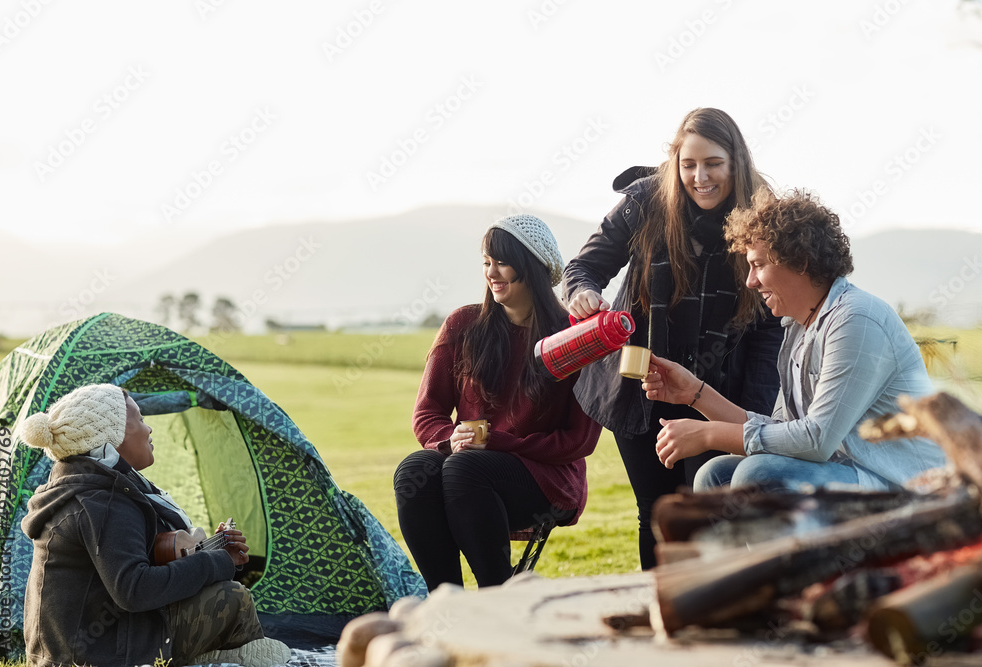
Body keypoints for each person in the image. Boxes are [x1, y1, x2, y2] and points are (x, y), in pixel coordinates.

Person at [561, 108, 783, 569]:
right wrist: (584, 295)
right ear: (675, 162)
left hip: (719, 389)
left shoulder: (764, 214)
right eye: (689, 164)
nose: (700, 177)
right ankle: (663, 612)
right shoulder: (645, 201)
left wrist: (754, 414)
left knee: (705, 510)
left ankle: (710, 611)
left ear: (736, 162)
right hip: (639, 382)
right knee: (657, 512)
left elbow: (768, 325)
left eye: (713, 164)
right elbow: (584, 268)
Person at [644, 190, 948, 490]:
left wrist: (708, 435)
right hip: (844, 473)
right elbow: (781, 432)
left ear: (800, 262)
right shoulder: (799, 326)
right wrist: (695, 394)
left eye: (759, 264)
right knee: (716, 474)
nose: (750, 281)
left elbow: (815, 440)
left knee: (759, 473)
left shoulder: (856, 319)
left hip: (902, 484)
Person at [394, 214, 601, 590]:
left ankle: (496, 596)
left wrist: (503, 443)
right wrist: (448, 439)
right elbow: (428, 413)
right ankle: (446, 601)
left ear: (534, 267)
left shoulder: (572, 336)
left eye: (503, 261)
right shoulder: (463, 325)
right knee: (415, 469)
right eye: (487, 262)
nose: (492, 272)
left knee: (465, 470)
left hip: (547, 479)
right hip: (468, 466)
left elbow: (580, 441)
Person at [19, 383, 291, 667]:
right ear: (112, 436)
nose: (149, 430)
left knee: (223, 597)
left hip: (66, 650)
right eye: (140, 419)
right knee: (231, 598)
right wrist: (215, 563)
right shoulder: (103, 502)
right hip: (92, 655)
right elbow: (134, 589)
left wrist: (210, 551)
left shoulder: (84, 483)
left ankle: (229, 658)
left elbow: (144, 553)